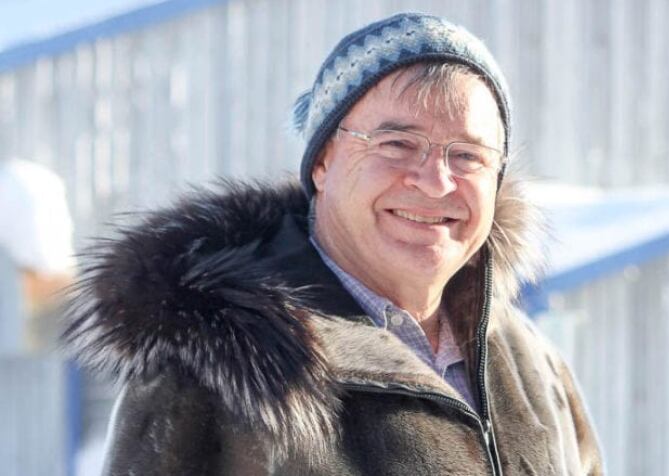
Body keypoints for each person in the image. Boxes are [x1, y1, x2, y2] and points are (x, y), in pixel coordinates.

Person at [64, 12, 603, 475]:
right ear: (322, 161)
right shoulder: (225, 366)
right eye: (397, 144)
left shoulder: (526, 356)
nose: (436, 181)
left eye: (468, 155)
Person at [0, 157, 75, 355]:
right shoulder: (25, 175)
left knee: (46, 350)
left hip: (41, 273)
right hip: (57, 268)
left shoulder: (10, 181)